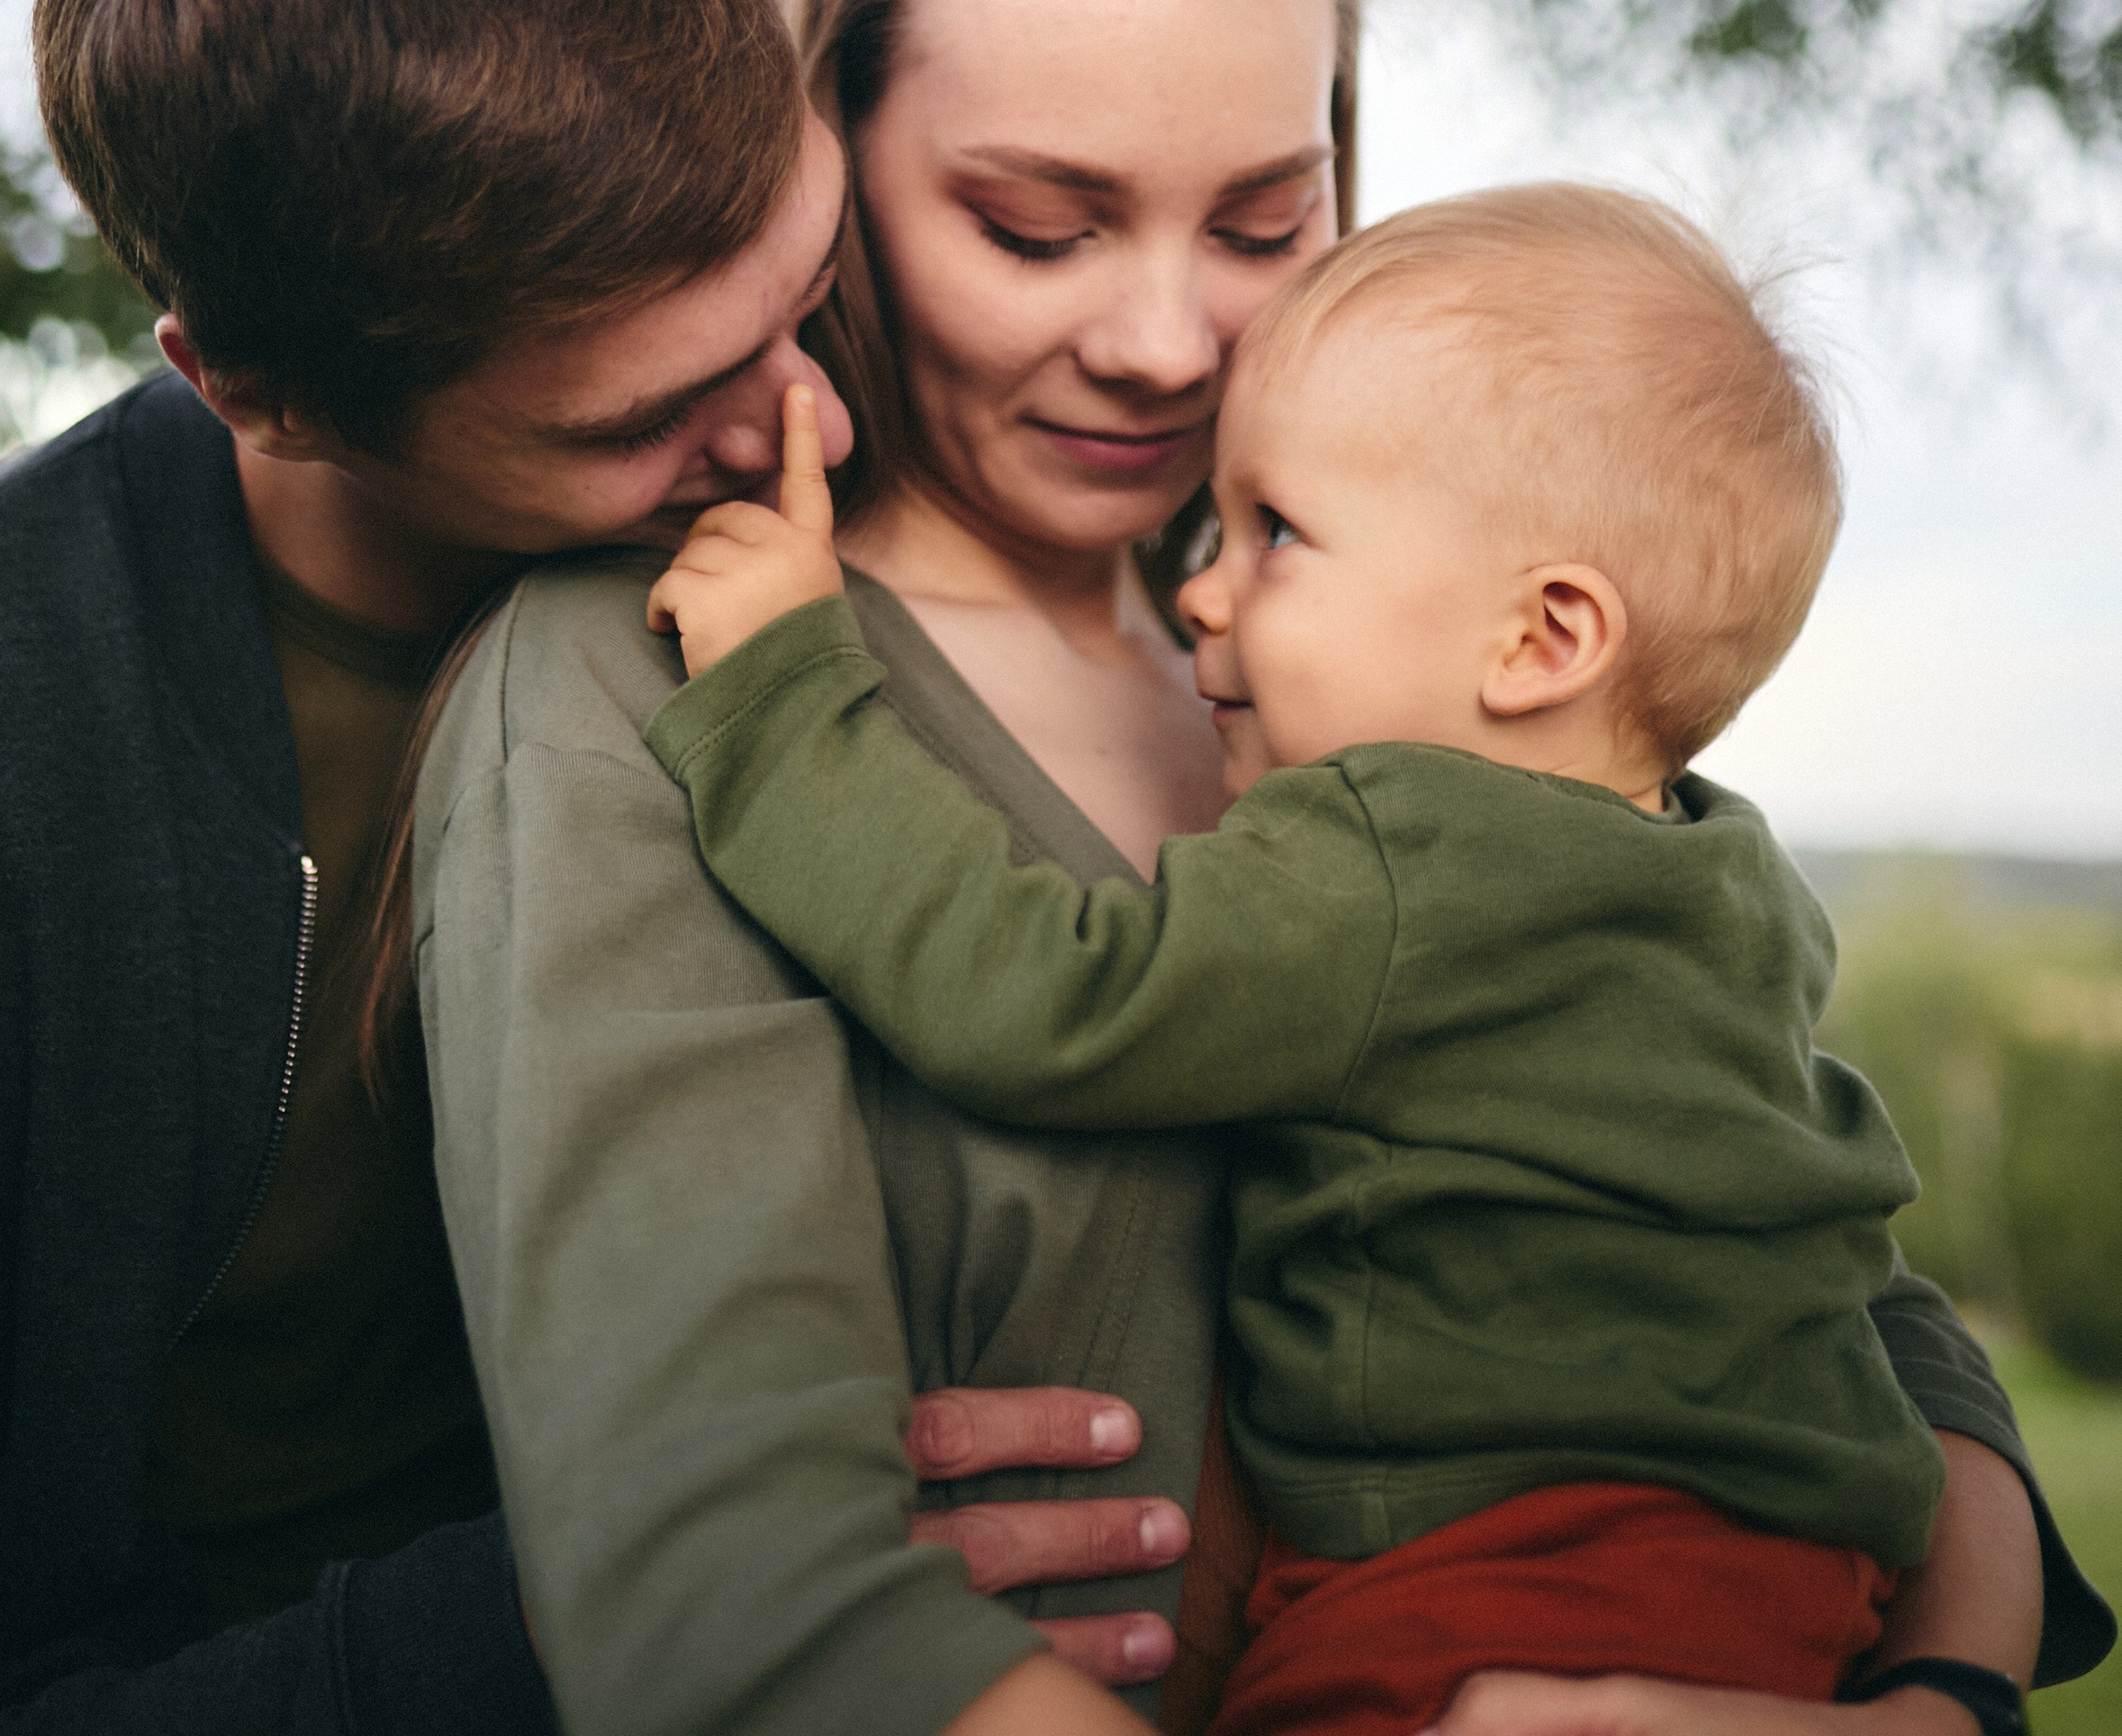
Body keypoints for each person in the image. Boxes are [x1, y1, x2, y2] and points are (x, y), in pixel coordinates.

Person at [413, 0, 2110, 1736]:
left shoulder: (1389, 657)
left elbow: (1807, 1252)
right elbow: (723, 1584)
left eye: (1259, 221)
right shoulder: (657, 673)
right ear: (826, 161)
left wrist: (1936, 1699)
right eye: (1032, 224)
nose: (1158, 342)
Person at [0, 0, 1169, 1736]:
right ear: (250, 388)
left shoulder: (961, 445)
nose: (803, 423)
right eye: (638, 421)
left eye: (795, 291)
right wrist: (561, 1633)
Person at [642, 188, 1967, 1732]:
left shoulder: (1397, 850)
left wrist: (786, 693)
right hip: (1805, 1577)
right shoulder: (1720, 869)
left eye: (1277, 533)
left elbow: (1050, 995)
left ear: (1540, 641)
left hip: (1505, 1578)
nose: (1201, 587)